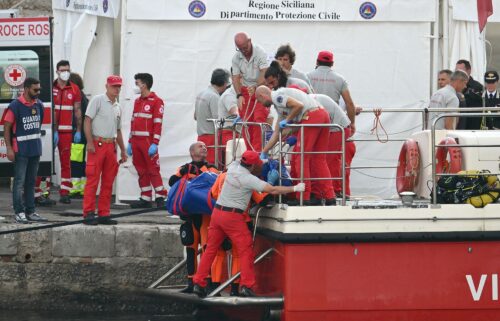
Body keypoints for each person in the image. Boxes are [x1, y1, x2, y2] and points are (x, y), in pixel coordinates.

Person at [192, 151, 305, 297]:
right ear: (251, 165)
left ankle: (198, 283)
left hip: (217, 213)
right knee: (245, 250)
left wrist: (266, 160)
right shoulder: (248, 179)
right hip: (233, 216)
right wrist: (295, 188)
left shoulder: (232, 167)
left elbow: (251, 163)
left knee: (210, 249)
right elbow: (272, 190)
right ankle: (247, 286)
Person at [257, 86, 335, 205]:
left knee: (300, 158)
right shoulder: (280, 107)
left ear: (263, 96)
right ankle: (329, 197)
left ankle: (303, 197)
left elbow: (298, 105)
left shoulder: (277, 97)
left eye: (259, 100)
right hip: (322, 114)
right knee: (319, 159)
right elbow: (277, 133)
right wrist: (265, 151)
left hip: (311, 117)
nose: (261, 104)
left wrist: (287, 120)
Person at [168, 141, 219, 293]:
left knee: (206, 249)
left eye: (205, 146)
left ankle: (206, 283)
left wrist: (201, 172)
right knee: (190, 249)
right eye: (200, 146)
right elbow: (172, 182)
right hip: (189, 216)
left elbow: (217, 182)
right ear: (192, 152)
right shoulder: (185, 168)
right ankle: (190, 283)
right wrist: (185, 172)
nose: (204, 147)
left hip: (205, 216)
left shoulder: (212, 169)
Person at [82, 75, 127, 225]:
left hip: (110, 146)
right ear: (106, 86)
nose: (117, 89)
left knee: (108, 182)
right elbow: (87, 120)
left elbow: (118, 130)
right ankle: (88, 213)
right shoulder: (98, 100)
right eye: (114, 86)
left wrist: (123, 150)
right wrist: (89, 142)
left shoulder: (118, 106)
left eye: (119, 86)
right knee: (93, 180)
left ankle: (104, 213)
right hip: (97, 144)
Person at [3, 78, 48, 223]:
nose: (38, 92)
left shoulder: (39, 105)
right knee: (19, 182)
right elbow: (7, 127)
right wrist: (9, 148)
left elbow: (38, 125)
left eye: (39, 89)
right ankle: (19, 212)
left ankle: (31, 211)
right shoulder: (15, 105)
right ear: (26, 88)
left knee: (31, 182)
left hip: (35, 149)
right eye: (35, 90)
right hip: (21, 150)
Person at [127, 73, 167, 208]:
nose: (136, 86)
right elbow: (133, 121)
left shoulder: (156, 101)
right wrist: (130, 141)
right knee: (140, 170)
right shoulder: (137, 101)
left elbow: (158, 123)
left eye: (137, 83)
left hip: (148, 142)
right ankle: (146, 197)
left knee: (153, 169)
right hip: (136, 142)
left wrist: (155, 143)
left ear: (144, 84)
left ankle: (161, 196)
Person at [49, 60, 83, 204]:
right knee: (46, 162)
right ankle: (42, 193)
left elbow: (77, 111)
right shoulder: (50, 87)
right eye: (63, 70)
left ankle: (65, 192)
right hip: (50, 132)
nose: (65, 73)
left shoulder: (74, 89)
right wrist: (53, 130)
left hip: (67, 132)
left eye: (68, 70)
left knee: (66, 163)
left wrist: (79, 131)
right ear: (57, 71)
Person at [310, 93, 355, 198]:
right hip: (338, 128)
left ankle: (329, 192)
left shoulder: (308, 103)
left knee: (324, 161)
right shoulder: (312, 99)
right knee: (332, 162)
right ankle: (333, 191)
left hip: (337, 129)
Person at [232, 32, 269, 152]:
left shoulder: (260, 53)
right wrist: (239, 95)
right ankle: (249, 153)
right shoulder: (236, 57)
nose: (244, 51)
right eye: (240, 49)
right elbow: (236, 77)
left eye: (245, 47)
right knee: (246, 123)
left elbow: (264, 73)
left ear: (250, 41)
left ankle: (258, 153)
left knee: (259, 120)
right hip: (245, 91)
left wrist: (256, 86)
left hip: (260, 88)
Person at [307, 50, 356, 135]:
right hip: (333, 125)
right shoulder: (340, 79)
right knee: (330, 148)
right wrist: (351, 123)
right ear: (332, 63)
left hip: (311, 123)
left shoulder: (307, 77)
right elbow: (349, 104)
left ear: (317, 62)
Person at [195, 69, 230, 165]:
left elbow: (195, 116)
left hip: (200, 137)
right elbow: (218, 121)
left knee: (201, 166)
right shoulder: (214, 97)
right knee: (212, 167)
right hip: (211, 138)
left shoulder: (201, 94)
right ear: (224, 83)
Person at [69, 72, 88, 198]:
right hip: (82, 134)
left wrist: (77, 131)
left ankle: (76, 189)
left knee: (75, 162)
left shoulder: (78, 97)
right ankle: (80, 189)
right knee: (80, 162)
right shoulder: (83, 96)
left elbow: (79, 115)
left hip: (78, 133)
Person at [455, 59, 484, 129]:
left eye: (461, 71)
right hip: (457, 124)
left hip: (470, 126)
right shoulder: (454, 86)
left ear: (469, 71)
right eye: (456, 71)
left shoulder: (477, 86)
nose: (458, 73)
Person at [217, 79, 239, 169]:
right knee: (227, 165)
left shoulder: (241, 93)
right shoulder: (229, 95)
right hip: (228, 134)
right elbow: (235, 113)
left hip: (236, 134)